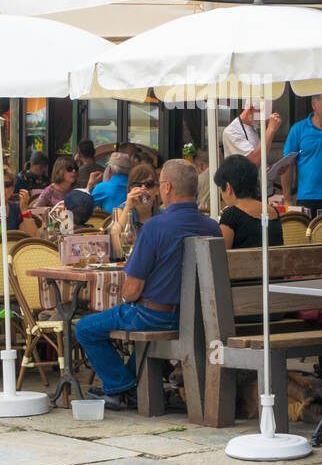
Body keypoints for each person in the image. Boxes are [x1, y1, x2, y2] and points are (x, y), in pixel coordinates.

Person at [75, 160, 220, 410]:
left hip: (153, 316)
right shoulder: (212, 227)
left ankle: (120, 387)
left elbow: (132, 290)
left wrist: (123, 299)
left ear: (167, 188)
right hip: (197, 317)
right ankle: (128, 385)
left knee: (85, 328)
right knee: (136, 328)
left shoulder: (154, 227)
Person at [215, 154, 283, 250]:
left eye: (221, 190)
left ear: (228, 187)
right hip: (275, 264)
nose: (222, 195)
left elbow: (222, 256)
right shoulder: (273, 211)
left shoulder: (231, 215)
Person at [109, 163, 161, 256]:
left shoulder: (163, 215)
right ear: (130, 189)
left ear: (156, 189)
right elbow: (116, 247)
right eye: (137, 185)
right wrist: (128, 207)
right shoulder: (120, 211)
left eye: (148, 184)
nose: (143, 188)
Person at [193, 150, 212, 215]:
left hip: (200, 213)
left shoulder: (196, 180)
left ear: (201, 166)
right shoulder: (220, 176)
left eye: (195, 167)